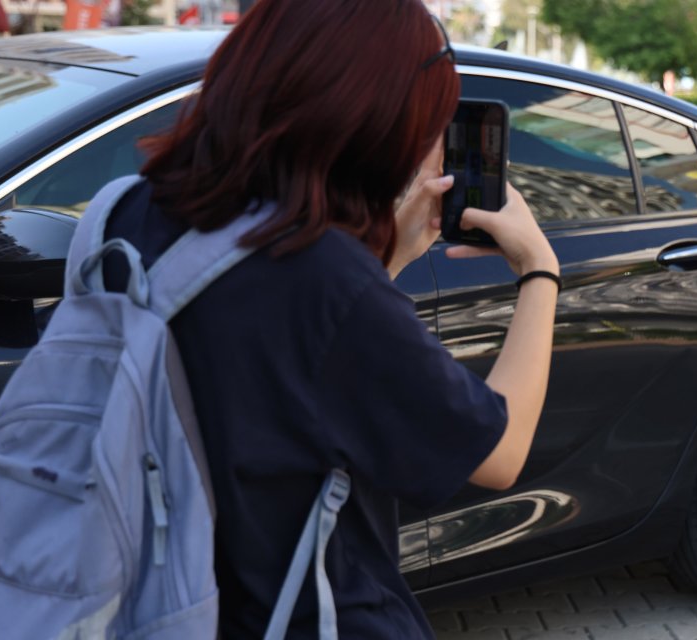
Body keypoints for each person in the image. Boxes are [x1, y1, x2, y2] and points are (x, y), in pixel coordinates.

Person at [101, 0, 559, 637]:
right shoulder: (326, 281)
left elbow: (284, 374)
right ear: (372, 121)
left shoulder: (130, 209)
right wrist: (539, 269)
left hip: (156, 601)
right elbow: (499, 454)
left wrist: (381, 264)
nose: (434, 150)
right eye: (429, 123)